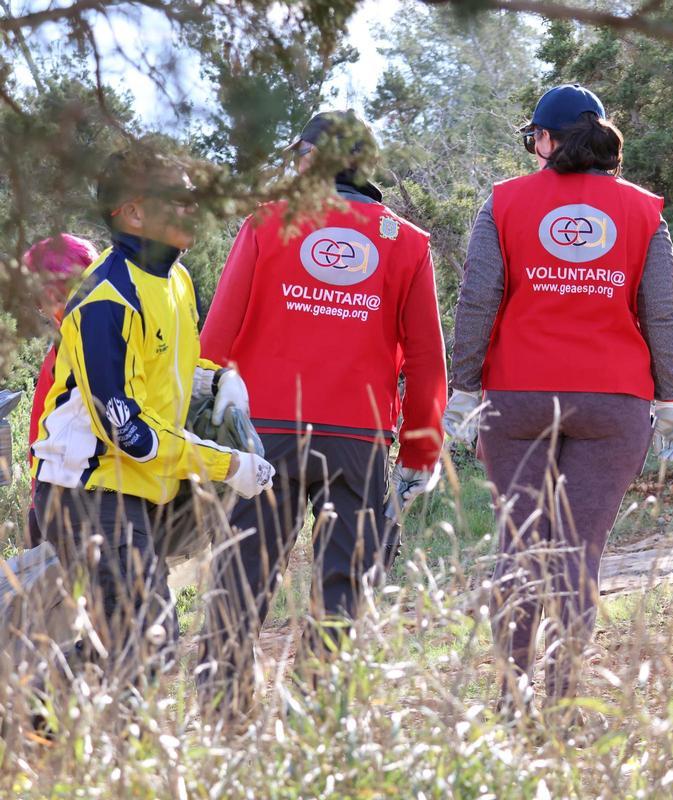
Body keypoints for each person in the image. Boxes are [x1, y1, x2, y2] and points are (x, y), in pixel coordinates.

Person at [445, 84, 673, 711]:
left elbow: (477, 301)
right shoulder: (643, 211)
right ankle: (556, 700)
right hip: (614, 403)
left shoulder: (503, 203)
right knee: (579, 552)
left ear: (549, 141)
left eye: (534, 139)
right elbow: (659, 312)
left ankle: (513, 700)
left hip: (518, 398)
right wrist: (669, 398)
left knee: (521, 546)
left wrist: (464, 387)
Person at [196, 110, 448, 707]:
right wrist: (420, 450)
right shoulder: (405, 242)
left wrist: (200, 425)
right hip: (357, 436)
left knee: (243, 573)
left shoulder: (267, 222)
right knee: (343, 581)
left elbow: (216, 336)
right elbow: (426, 358)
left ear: (309, 157)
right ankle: (316, 709)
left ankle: (221, 711)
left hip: (264, 433)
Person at [29, 145, 275, 688]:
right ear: (134, 212)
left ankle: (43, 716)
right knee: (146, 645)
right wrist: (226, 464)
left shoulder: (177, 280)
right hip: (88, 492)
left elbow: (169, 373)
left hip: (137, 492)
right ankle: (26, 702)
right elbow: (130, 433)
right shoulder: (104, 302)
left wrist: (218, 380)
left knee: (135, 645)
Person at [22, 234, 99, 548]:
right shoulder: (59, 352)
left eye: (47, 298)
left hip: (88, 500)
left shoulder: (88, 344)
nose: (44, 310)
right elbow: (38, 434)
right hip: (55, 498)